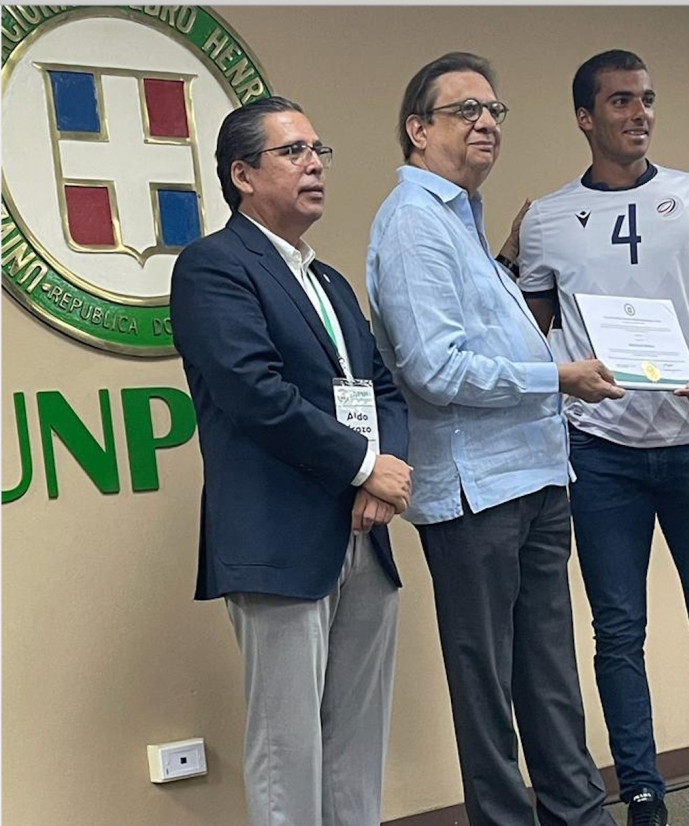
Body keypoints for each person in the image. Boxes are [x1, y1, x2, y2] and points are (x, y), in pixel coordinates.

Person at [519, 49, 689, 826]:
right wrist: (563, 372)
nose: (640, 114)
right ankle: (642, 793)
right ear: (585, 117)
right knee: (618, 631)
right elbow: (531, 337)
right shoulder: (546, 217)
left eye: (648, 100)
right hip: (600, 455)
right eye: (622, 101)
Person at [367, 51, 623, 826]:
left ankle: (580, 817)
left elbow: (486, 339)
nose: (487, 123)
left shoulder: (464, 220)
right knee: (489, 695)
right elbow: (433, 369)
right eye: (466, 110)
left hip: (536, 476)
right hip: (475, 493)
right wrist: (559, 379)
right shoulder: (413, 224)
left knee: (550, 681)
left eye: (495, 111)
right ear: (418, 130)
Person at [170, 96, 412, 826]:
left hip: (364, 534)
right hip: (278, 540)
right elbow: (254, 394)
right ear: (242, 174)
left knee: (356, 745)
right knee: (287, 752)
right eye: (294, 151)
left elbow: (385, 387)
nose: (315, 164)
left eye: (319, 150)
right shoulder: (214, 267)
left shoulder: (330, 280)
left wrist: (384, 471)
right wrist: (363, 465)